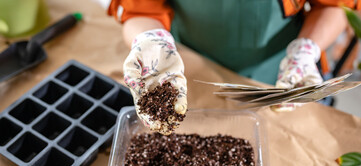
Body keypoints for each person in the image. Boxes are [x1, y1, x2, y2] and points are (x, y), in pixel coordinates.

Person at [107, 0, 358, 133]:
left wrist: (306, 50)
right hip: (186, 68)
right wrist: (151, 41)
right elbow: (139, 8)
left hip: (282, 77)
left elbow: (334, 5)